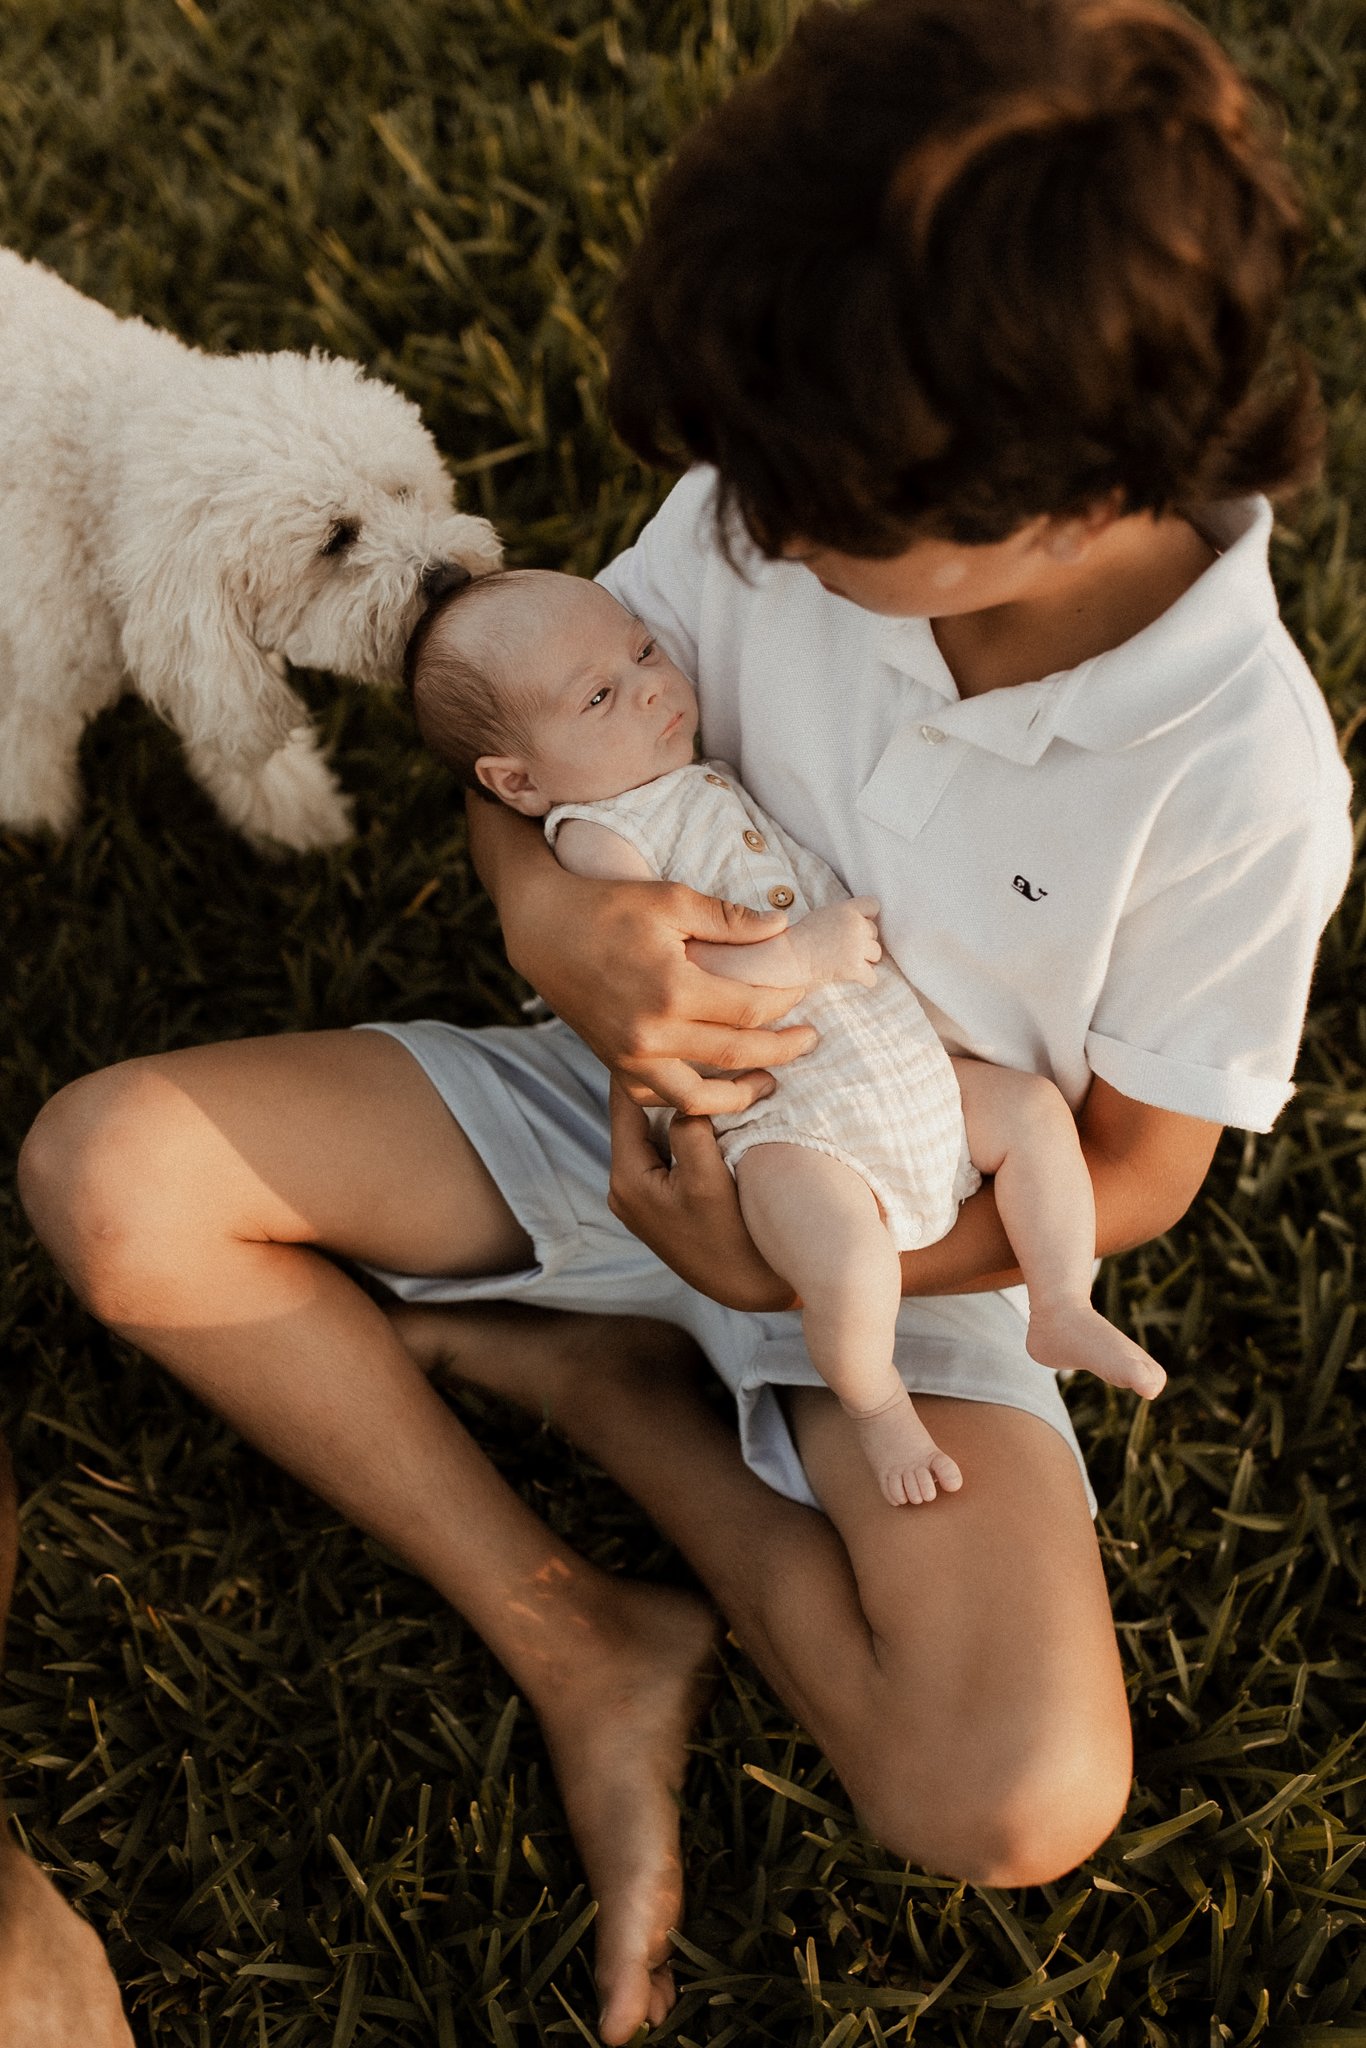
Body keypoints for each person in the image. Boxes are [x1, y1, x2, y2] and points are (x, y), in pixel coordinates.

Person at [15, 0, 1354, 2041]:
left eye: (800, 509)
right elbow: (526, 790)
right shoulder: (789, 489)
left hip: (917, 1272)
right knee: (110, 1178)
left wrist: (795, 1258)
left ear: (1055, 506)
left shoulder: (1235, 781)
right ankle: (577, 1638)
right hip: (593, 1106)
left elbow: (1128, 1176)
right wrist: (569, 949)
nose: (748, 531)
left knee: (1010, 1794)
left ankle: (624, 1403)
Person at [403, 564, 1167, 1507]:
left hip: (915, 1073)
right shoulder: (599, 842)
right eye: (599, 695)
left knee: (1031, 1112)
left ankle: (1058, 1303)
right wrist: (804, 956)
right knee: (845, 1264)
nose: (648, 683)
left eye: (643, 648)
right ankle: (879, 1406)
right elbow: (679, 986)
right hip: (791, 1126)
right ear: (517, 782)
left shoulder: (695, 776)